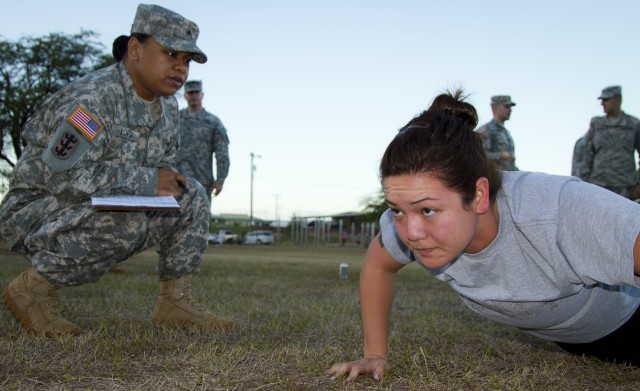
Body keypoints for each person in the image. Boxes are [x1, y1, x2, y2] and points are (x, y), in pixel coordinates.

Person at [327, 90, 640, 381]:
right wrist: (375, 354)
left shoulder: (556, 211)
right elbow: (378, 264)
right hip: (580, 340)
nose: (411, 232)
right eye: (396, 210)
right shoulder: (411, 221)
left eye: (427, 211)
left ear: (478, 195)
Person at [0, 3, 232, 336]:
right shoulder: (93, 99)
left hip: (94, 203)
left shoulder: (168, 106)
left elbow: (162, 166)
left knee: (191, 194)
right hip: (38, 208)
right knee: (125, 220)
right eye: (170, 54)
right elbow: (58, 174)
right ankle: (32, 289)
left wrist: (161, 183)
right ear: (135, 49)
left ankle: (174, 301)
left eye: (186, 61)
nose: (180, 68)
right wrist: (148, 181)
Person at [176, 80, 230, 205]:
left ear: (202, 95)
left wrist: (220, 179)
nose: (194, 95)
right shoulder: (175, 119)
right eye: (190, 93)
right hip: (176, 181)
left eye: (196, 92)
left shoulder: (213, 122)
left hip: (202, 183)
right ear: (185, 96)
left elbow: (222, 152)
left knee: (199, 222)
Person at [582, 85, 640, 199]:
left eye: (606, 99)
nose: (602, 103)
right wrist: (583, 183)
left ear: (618, 99)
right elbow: (586, 155)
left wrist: (639, 185)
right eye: (601, 100)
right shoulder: (596, 123)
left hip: (626, 188)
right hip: (597, 186)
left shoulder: (634, 124)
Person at [475, 95, 518, 171]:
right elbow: (479, 157)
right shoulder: (485, 130)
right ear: (495, 108)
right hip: (494, 179)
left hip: (509, 178)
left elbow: (510, 165)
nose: (510, 110)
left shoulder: (506, 133)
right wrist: (501, 156)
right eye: (507, 106)